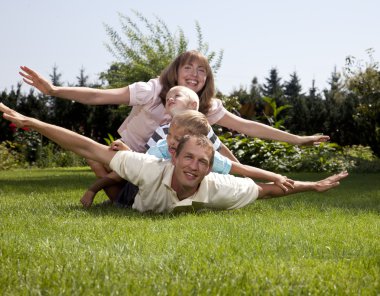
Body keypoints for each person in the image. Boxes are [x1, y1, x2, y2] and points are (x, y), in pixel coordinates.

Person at [18, 51, 329, 175]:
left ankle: (238, 180)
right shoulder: (151, 90)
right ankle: (120, 189)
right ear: (176, 71)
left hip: (168, 157)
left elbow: (247, 126)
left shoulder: (206, 107)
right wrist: (55, 90)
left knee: (209, 136)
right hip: (129, 151)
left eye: (202, 71)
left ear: (207, 79)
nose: (194, 74)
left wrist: (297, 140)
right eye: (188, 67)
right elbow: (102, 95)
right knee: (97, 158)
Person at [0, 103, 348, 214]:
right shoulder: (151, 165)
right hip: (131, 197)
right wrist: (33, 122)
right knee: (106, 166)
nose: (194, 166)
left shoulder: (215, 186)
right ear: (173, 154)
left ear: (210, 168)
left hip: (151, 197)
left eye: (202, 162)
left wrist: (312, 185)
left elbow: (266, 190)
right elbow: (88, 146)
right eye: (189, 157)